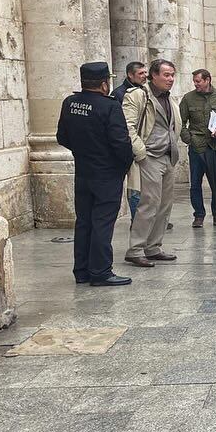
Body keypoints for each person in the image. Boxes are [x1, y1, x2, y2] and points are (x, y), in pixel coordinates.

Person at [55, 62, 134, 286]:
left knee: (84, 221)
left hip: (83, 171)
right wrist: (124, 164)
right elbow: (120, 142)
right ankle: (100, 271)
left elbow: (62, 137)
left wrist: (83, 152)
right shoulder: (109, 106)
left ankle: (82, 271)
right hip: (107, 173)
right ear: (103, 84)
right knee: (102, 222)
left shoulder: (70, 103)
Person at [122, 59, 180, 268]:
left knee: (164, 205)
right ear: (153, 76)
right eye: (166, 75)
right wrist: (141, 154)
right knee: (148, 204)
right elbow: (127, 126)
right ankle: (136, 249)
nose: (170, 79)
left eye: (172, 75)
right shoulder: (138, 96)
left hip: (167, 157)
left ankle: (153, 247)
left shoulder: (169, 99)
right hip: (149, 157)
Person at [180, 69, 216, 228]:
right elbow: (180, 122)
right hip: (196, 147)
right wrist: (188, 138)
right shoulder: (188, 98)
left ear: (207, 80)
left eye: (198, 81)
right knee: (195, 184)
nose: (195, 84)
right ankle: (198, 215)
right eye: (194, 81)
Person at [111, 61, 147, 219]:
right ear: (130, 75)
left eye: (145, 73)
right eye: (141, 74)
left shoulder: (144, 90)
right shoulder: (119, 94)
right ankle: (137, 219)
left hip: (143, 144)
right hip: (129, 146)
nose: (145, 76)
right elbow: (121, 124)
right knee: (135, 188)